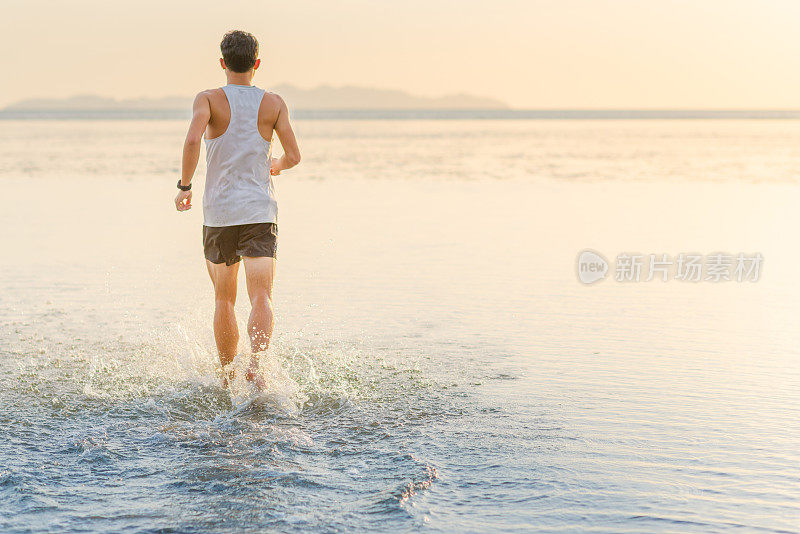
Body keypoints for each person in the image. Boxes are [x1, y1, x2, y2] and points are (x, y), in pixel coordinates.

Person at [174, 30, 301, 388]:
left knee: (223, 299)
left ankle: (228, 377)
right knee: (261, 295)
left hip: (220, 214)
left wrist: (184, 187)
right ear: (256, 64)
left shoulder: (209, 99)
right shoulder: (274, 103)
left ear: (222, 63)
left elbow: (191, 139)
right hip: (260, 212)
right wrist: (274, 165)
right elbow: (294, 156)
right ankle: (258, 367)